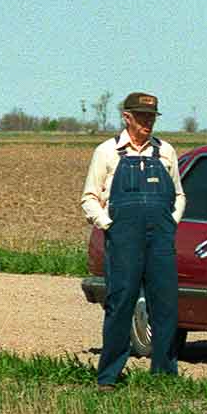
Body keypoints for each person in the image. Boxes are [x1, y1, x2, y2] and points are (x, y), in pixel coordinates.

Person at [81, 91, 186, 389]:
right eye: (142, 118)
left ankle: (165, 375)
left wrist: (172, 220)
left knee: (165, 303)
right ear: (126, 117)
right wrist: (107, 224)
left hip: (160, 236)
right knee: (121, 301)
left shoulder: (165, 151)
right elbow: (89, 197)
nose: (147, 123)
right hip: (123, 235)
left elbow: (178, 194)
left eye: (151, 117)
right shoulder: (107, 152)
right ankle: (110, 376)